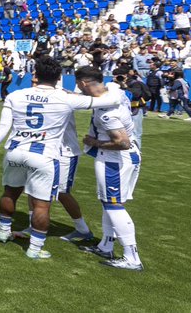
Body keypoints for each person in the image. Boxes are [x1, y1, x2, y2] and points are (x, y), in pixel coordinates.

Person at [0, 55, 125, 260]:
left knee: (10, 192)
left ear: (36, 75)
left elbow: (4, 126)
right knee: (41, 204)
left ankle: (4, 232)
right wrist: (115, 86)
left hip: (14, 151)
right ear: (59, 77)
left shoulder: (16, 95)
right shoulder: (65, 98)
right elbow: (112, 99)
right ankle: (35, 248)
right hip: (44, 155)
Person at [76, 69, 143, 270]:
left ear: (84, 83)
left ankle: (132, 257)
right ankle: (106, 245)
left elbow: (121, 142)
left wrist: (94, 142)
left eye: (79, 84)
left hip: (115, 158)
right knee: (109, 203)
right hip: (128, 155)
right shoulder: (113, 90)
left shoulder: (107, 113)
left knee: (114, 205)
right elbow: (118, 87)